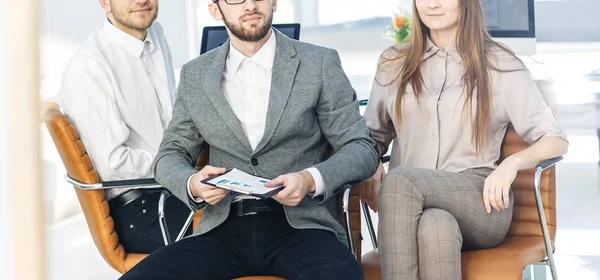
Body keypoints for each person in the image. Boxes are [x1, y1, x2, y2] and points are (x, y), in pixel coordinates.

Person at [120, 0, 379, 279]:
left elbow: (361, 148)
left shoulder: (319, 63)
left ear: (275, 2)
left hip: (304, 228)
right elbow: (169, 154)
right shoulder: (196, 74)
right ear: (215, 10)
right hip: (223, 229)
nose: (251, 5)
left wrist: (309, 179)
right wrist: (192, 183)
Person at [359, 0, 569, 279]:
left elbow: (555, 139)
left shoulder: (498, 63)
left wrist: (512, 164)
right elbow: (370, 137)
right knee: (436, 225)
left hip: (480, 201)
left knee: (400, 180)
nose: (432, 4)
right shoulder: (393, 63)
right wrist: (370, 161)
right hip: (406, 214)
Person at [59, 0, 192, 254]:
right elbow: (114, 163)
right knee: (244, 235)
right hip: (141, 208)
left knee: (258, 214)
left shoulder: (156, 33)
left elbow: (168, 118)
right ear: (105, 3)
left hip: (171, 190)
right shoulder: (89, 68)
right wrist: (180, 168)